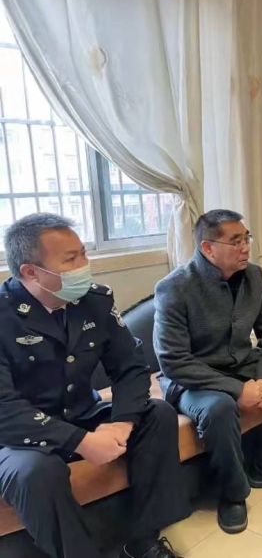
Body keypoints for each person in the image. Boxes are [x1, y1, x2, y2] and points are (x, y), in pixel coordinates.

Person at [0, 214, 189, 558]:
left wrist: (122, 422)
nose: (84, 265)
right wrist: (81, 441)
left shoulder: (94, 300)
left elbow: (131, 367)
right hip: (18, 436)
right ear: (30, 272)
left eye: (83, 253)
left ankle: (144, 539)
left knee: (158, 415)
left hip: (81, 411)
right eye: (70, 259)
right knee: (37, 473)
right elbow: (5, 410)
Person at [153, 209, 262, 535]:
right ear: (208, 248)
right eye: (236, 241)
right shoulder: (175, 288)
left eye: (246, 238)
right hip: (194, 378)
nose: (246, 247)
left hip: (242, 364)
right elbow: (173, 361)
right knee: (219, 407)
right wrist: (236, 389)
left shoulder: (254, 277)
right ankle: (231, 493)